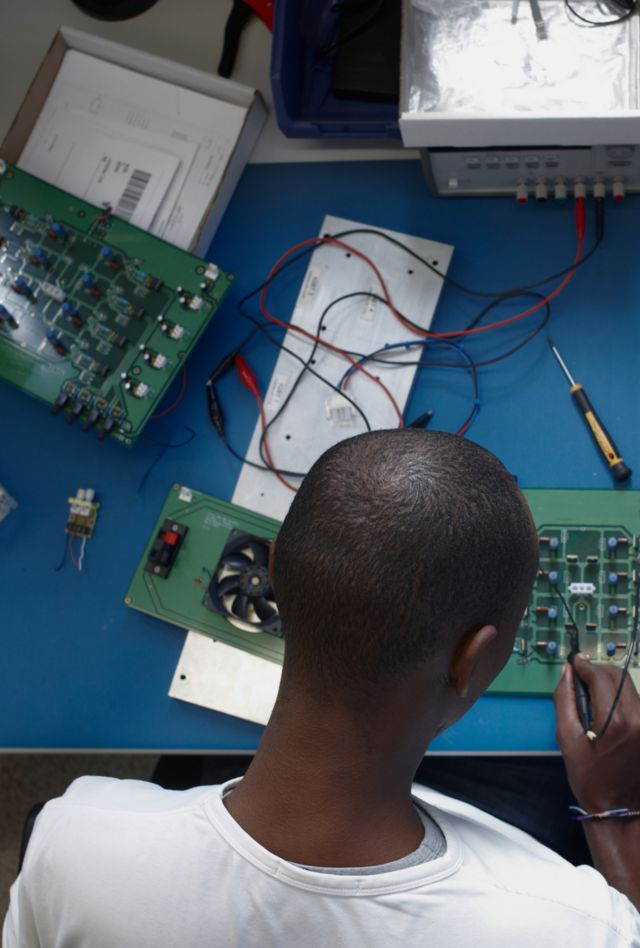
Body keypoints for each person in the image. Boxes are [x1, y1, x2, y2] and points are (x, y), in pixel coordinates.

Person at [4, 429, 640, 947]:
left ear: (274, 575)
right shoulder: (577, 926)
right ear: (470, 662)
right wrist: (612, 807)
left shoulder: (74, 840)